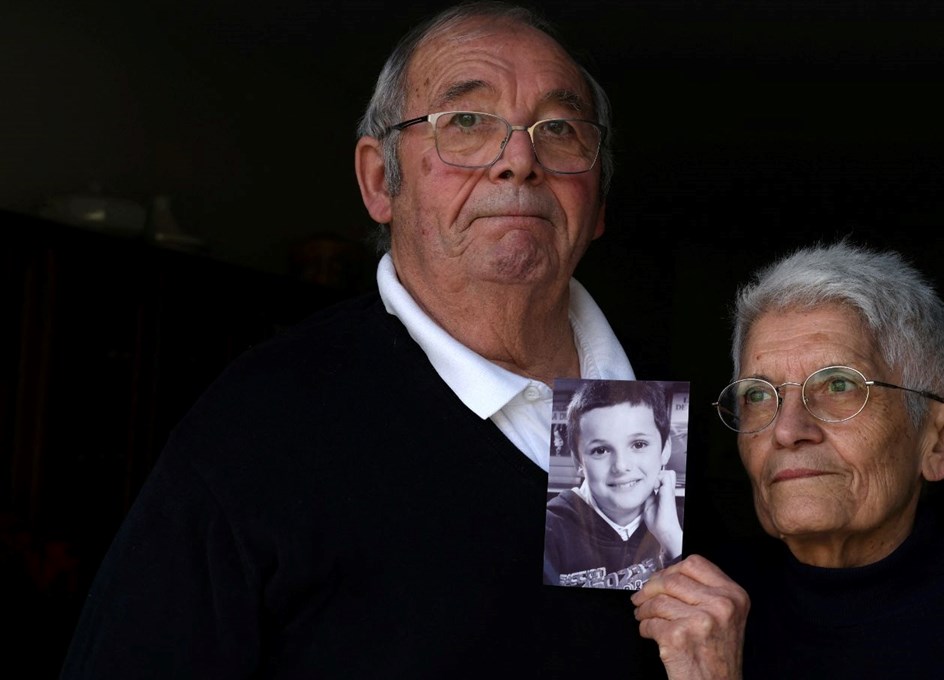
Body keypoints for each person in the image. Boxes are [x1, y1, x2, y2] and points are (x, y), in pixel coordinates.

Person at [60, 2, 668, 677]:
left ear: (599, 199)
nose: (519, 159)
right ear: (381, 181)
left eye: (558, 129)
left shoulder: (642, 402)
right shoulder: (262, 424)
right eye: (466, 121)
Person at [631, 240, 944, 679]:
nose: (787, 430)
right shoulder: (685, 604)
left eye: (838, 385)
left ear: (940, 440)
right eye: (758, 394)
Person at [544, 379, 684, 589]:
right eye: (600, 450)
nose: (621, 466)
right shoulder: (551, 529)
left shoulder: (678, 522)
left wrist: (674, 541)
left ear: (664, 450)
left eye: (638, 444)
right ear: (578, 462)